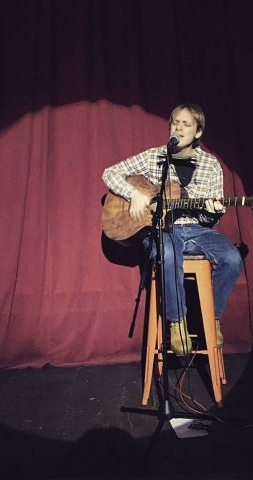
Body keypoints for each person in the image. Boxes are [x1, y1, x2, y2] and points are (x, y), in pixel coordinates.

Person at [102, 103, 243, 355]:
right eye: (175, 122)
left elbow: (213, 219)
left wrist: (212, 209)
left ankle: (211, 318)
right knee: (168, 254)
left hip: (197, 230)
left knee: (232, 258)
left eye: (186, 124)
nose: (178, 127)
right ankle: (177, 324)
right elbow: (110, 173)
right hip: (163, 230)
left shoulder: (211, 165)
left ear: (198, 132)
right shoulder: (154, 156)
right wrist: (134, 193)